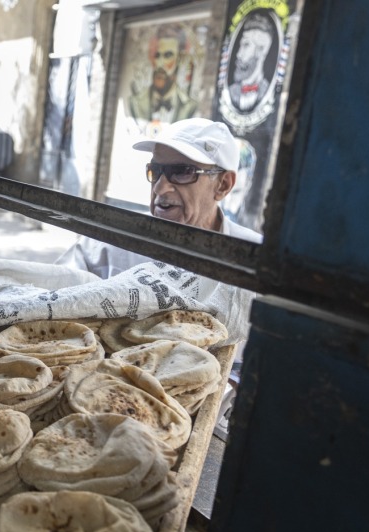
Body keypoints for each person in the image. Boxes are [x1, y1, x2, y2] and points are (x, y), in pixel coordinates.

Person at [55, 118, 262, 429]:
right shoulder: (112, 240)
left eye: (182, 172)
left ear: (223, 185)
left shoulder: (254, 261)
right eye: (156, 172)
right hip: (99, 407)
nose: (161, 188)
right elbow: (58, 293)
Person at [126, 24, 199, 125]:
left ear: (179, 59)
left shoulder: (189, 105)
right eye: (157, 55)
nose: (160, 64)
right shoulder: (135, 102)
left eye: (168, 55)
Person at [228, 15, 275, 113]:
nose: (238, 54)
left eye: (245, 45)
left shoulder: (267, 91)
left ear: (261, 51)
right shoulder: (231, 92)